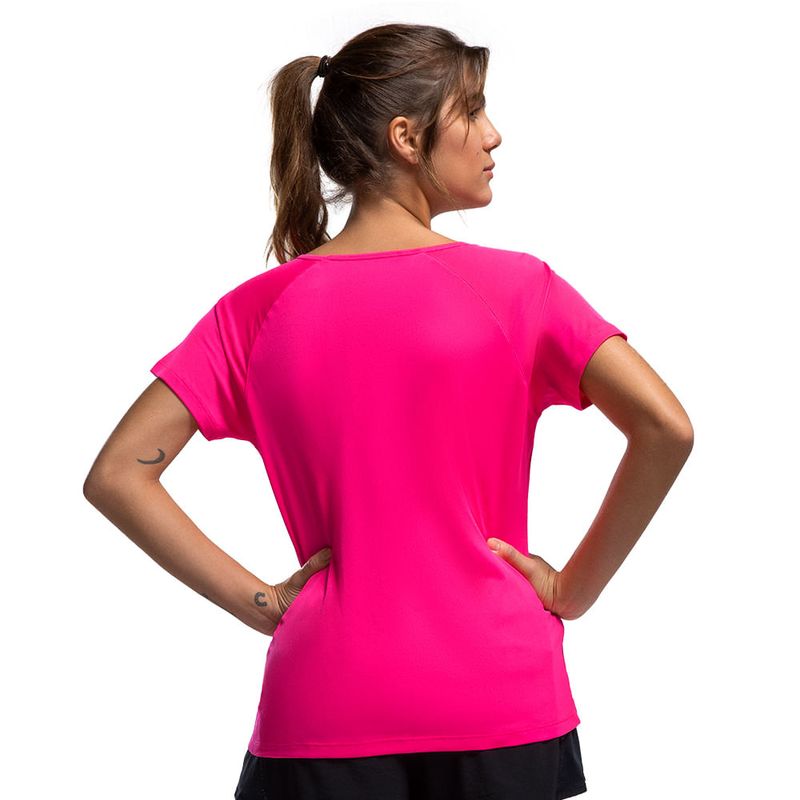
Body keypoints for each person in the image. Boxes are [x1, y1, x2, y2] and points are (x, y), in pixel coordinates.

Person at [83, 22, 694, 800]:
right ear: (407, 137)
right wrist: (571, 591)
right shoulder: (519, 290)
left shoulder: (258, 311)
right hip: (499, 696)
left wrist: (264, 604)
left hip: (324, 699)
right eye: (472, 109)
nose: (494, 134)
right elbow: (666, 427)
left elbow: (117, 474)